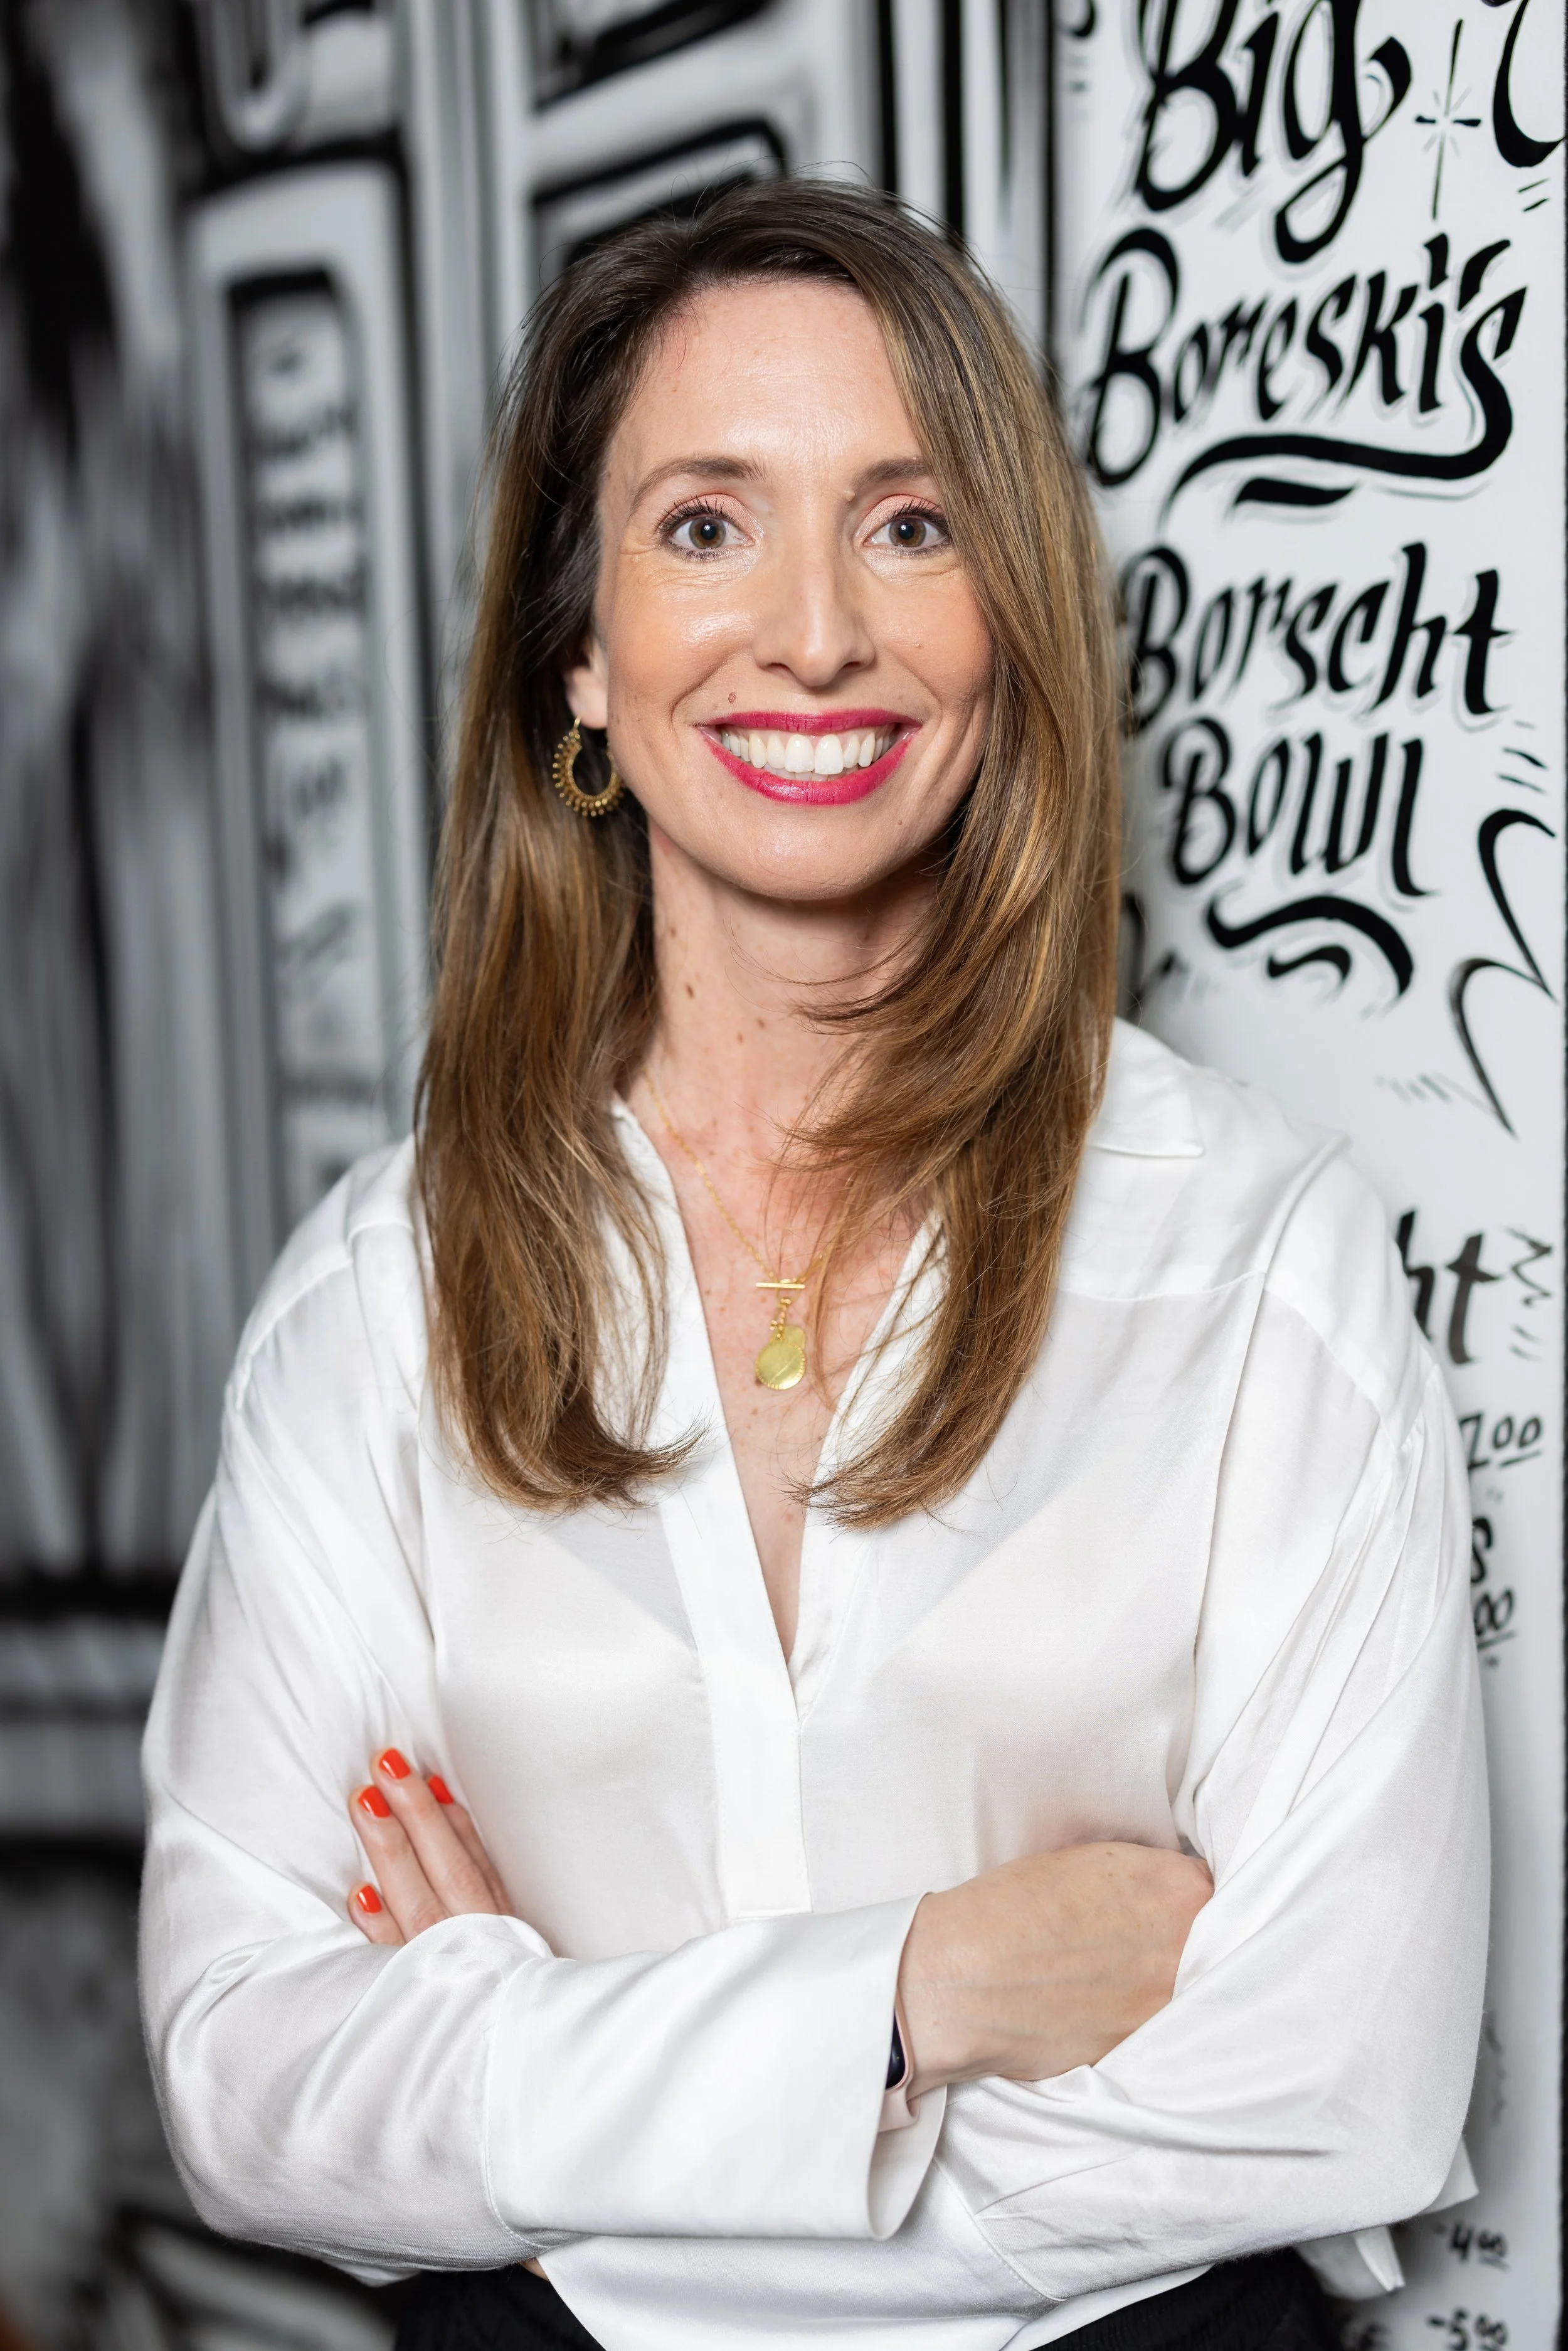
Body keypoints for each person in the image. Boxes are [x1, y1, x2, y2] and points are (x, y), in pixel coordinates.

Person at [139, 180, 1487, 2351]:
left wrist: (538, 2108)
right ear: (575, 650)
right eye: (703, 526)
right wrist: (907, 1994)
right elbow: (237, 2072)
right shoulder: (372, 1302)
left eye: (906, 521)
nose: (813, 634)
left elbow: (1334, 2090)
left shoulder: (1257, 1264)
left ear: (1004, 620)